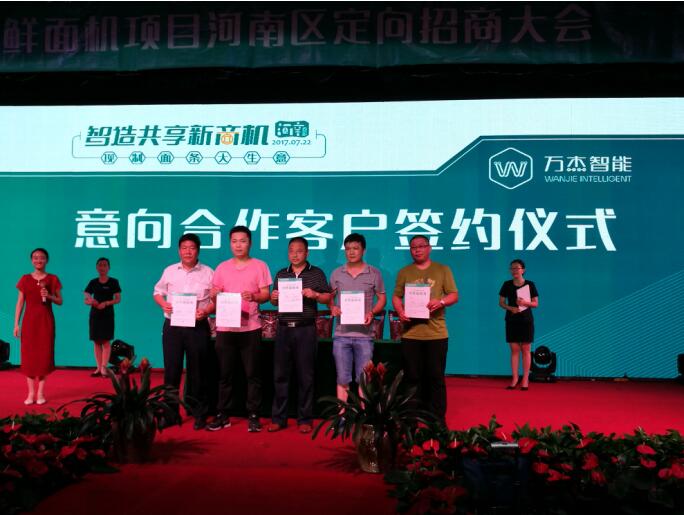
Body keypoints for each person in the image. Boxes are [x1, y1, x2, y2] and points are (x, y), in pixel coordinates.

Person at [207, 226, 272, 433]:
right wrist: (214, 294)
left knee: (253, 375)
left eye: (242, 241)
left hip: (250, 327)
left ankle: (253, 415)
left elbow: (266, 294)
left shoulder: (260, 266)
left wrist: (254, 297)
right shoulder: (221, 268)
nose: (238, 245)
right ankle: (223, 414)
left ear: (250, 243)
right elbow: (214, 295)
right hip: (226, 327)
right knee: (225, 374)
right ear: (230, 243)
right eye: (234, 241)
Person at [392, 235, 458, 425]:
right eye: (413, 247)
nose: (417, 250)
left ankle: (436, 422)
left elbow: (454, 295)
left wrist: (441, 301)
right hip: (411, 334)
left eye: (421, 246)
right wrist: (400, 311)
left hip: (436, 334)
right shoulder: (404, 272)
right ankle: (410, 422)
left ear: (429, 248)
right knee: (411, 378)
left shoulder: (442, 269)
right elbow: (396, 296)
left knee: (435, 378)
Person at [268, 237, 332, 434]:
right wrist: (273, 297)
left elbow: (328, 297)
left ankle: (305, 418)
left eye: (299, 251)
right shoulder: (281, 273)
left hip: (305, 329)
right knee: (280, 375)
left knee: (306, 375)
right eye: (291, 251)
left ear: (307, 253)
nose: (294, 255)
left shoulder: (316, 273)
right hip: (284, 328)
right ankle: (279, 418)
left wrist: (316, 295)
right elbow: (273, 302)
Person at [153, 233, 214, 430]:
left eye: (192, 248)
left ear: (198, 251)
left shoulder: (208, 272)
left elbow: (215, 300)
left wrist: (206, 311)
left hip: (197, 326)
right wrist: (164, 304)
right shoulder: (170, 271)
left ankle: (199, 414)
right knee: (172, 371)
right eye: (184, 248)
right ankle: (170, 414)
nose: (188, 251)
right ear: (179, 250)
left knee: (198, 371)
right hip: (173, 326)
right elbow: (157, 292)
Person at [328, 233, 386, 402]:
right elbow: (329, 297)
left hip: (365, 335)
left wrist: (372, 312)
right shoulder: (337, 273)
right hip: (341, 335)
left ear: (363, 250)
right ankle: (341, 415)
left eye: (355, 248)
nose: (351, 252)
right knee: (342, 379)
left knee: (364, 380)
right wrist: (332, 307)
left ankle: (364, 416)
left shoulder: (374, 273)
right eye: (348, 249)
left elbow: (382, 299)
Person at [14, 248, 63, 405]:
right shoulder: (25, 279)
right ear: (31, 260)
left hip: (45, 321)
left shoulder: (52, 279)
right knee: (29, 357)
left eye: (41, 257)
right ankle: (30, 393)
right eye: (35, 257)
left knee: (43, 356)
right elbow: (20, 302)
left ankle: (41, 393)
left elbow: (60, 301)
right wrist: (16, 324)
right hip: (29, 322)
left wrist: (49, 296)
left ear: (46, 260)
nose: (38, 260)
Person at [499, 259, 539, 391]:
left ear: (523, 270)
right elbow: (501, 303)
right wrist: (511, 308)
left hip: (526, 320)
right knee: (514, 350)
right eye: (512, 268)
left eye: (517, 268)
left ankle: (525, 379)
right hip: (512, 320)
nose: (514, 270)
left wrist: (524, 303)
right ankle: (515, 378)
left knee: (526, 349)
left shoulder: (530, 284)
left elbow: (535, 303)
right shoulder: (507, 284)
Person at [84, 257, 121, 377]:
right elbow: (86, 297)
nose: (102, 267)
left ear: (108, 267)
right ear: (96, 267)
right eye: (100, 265)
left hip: (107, 314)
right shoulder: (93, 282)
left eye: (105, 265)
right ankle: (98, 368)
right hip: (95, 314)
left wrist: (106, 303)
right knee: (96, 341)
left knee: (105, 341)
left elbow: (117, 299)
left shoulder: (113, 282)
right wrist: (91, 301)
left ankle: (104, 368)